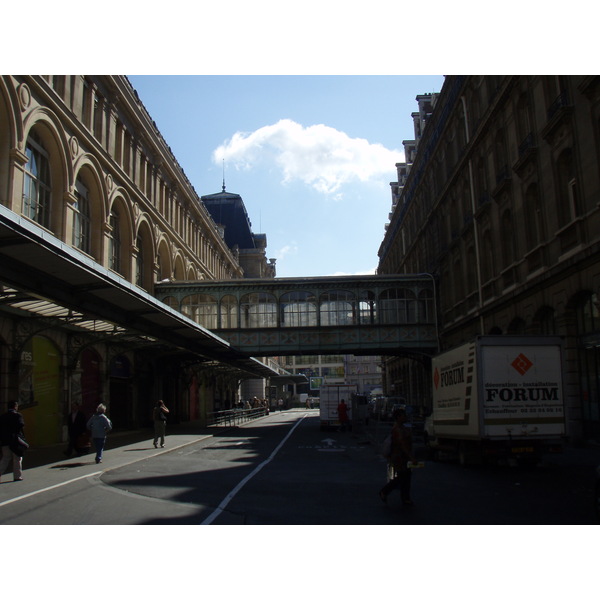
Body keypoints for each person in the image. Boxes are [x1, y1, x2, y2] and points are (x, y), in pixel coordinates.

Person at [379, 408, 416, 506]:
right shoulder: (397, 429)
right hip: (399, 457)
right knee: (401, 477)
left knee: (406, 476)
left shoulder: (402, 428)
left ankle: (405, 498)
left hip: (403, 457)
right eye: (403, 415)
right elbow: (402, 444)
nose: (405, 417)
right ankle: (385, 491)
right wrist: (411, 457)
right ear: (398, 417)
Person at [0, 401, 26, 482]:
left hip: (5, 440)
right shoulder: (17, 415)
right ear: (15, 406)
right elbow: (21, 425)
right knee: (17, 458)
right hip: (15, 440)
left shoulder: (3, 416)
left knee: (5, 458)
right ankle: (17, 476)